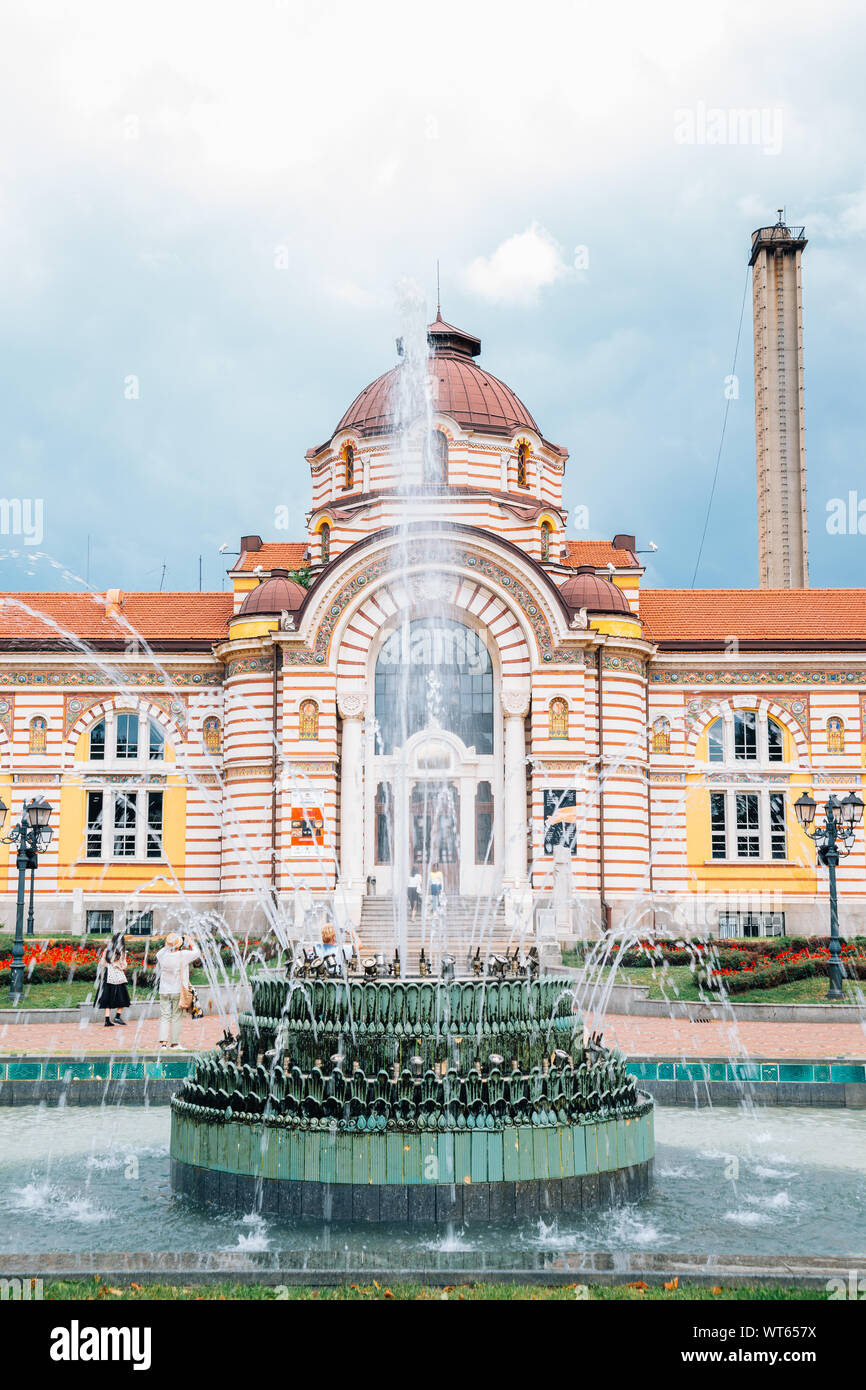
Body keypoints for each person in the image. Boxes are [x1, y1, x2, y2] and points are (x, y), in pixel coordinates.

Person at [155, 933, 200, 1049]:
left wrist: (169, 944)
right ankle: (174, 1044)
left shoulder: (163, 956)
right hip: (177, 990)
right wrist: (190, 941)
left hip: (164, 990)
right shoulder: (183, 955)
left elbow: (159, 953)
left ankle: (163, 1044)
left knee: (165, 1016)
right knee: (176, 1016)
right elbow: (197, 952)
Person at [96, 931, 130, 1027]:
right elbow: (123, 965)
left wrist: (110, 965)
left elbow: (103, 963)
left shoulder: (107, 950)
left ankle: (107, 1020)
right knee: (123, 997)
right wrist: (118, 966)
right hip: (118, 976)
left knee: (107, 996)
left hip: (108, 976)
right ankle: (117, 1016)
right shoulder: (121, 952)